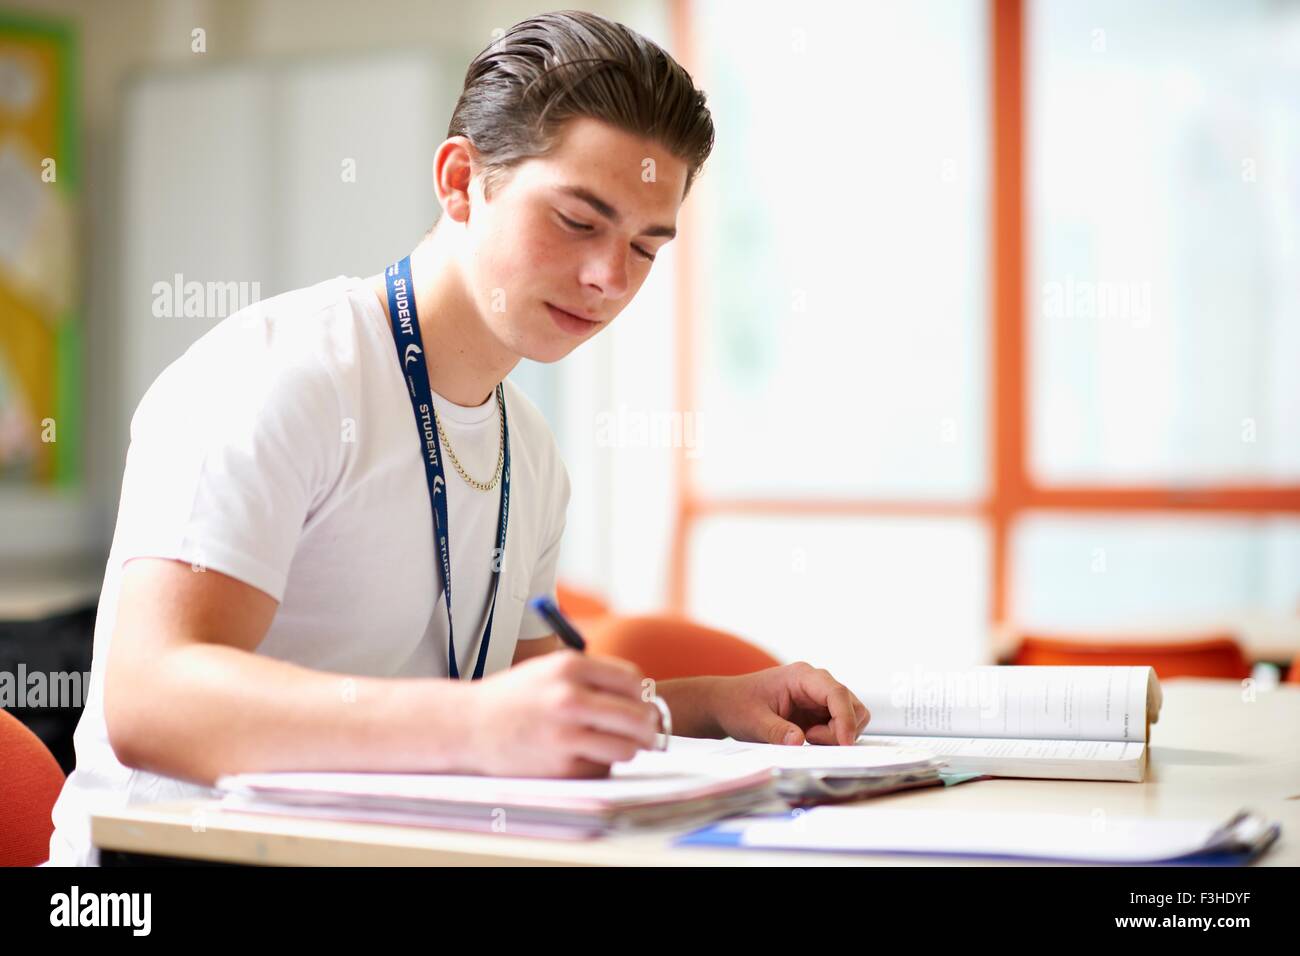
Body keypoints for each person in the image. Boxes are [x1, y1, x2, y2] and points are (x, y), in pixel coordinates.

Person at [47, 10, 869, 867]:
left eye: (644, 247)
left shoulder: (532, 452)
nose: (608, 280)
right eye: (579, 222)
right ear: (459, 180)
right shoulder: (279, 375)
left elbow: (528, 698)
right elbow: (151, 702)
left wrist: (714, 703)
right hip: (161, 871)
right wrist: (478, 724)